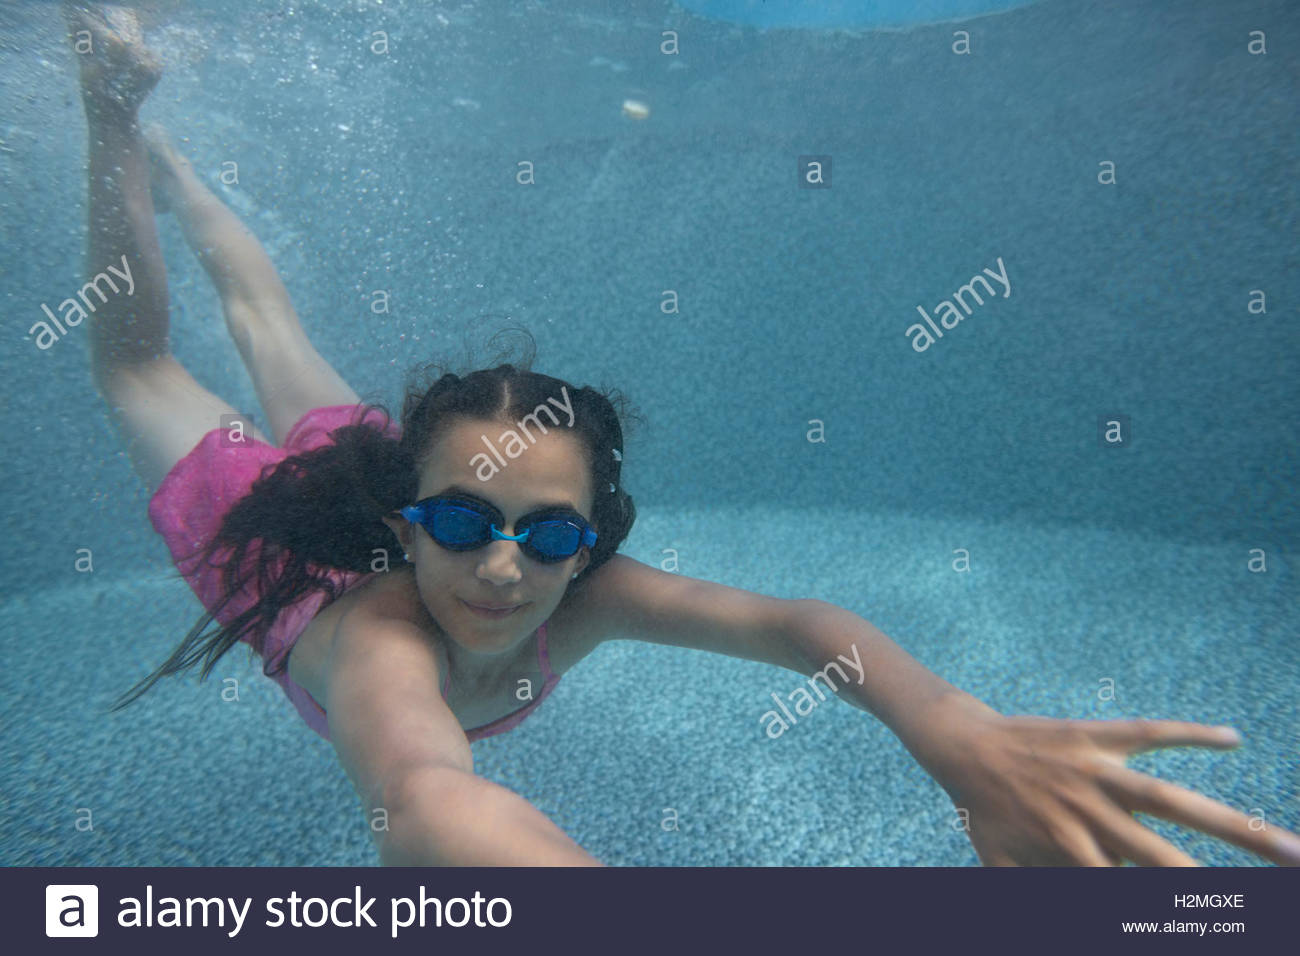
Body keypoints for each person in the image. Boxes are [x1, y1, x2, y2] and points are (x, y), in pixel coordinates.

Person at [66, 3, 1300, 868]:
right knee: (138, 357)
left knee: (266, 314)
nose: (503, 570)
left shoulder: (572, 586)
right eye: (461, 523)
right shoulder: (388, 645)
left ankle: (170, 162)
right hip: (253, 514)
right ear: (407, 507)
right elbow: (426, 795)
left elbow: (800, 628)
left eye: (549, 535)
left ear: (593, 540)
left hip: (363, 476)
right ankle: (116, 117)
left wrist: (956, 727)